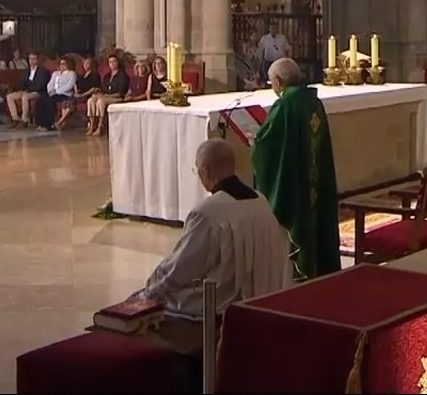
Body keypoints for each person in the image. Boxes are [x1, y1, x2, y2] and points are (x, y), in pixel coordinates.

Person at [134, 140, 291, 318]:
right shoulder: (261, 201)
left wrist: (150, 292)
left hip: (220, 305)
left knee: (152, 297)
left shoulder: (207, 213)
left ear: (205, 171)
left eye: (198, 171)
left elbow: (182, 268)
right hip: (264, 298)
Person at [251, 57, 340, 281]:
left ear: (279, 81)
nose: (271, 86)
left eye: (271, 81)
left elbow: (267, 146)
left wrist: (257, 142)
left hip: (298, 186)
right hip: (315, 179)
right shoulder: (313, 101)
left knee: (299, 218)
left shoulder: (285, 105)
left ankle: (298, 271)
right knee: (316, 216)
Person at [5, 51, 50, 129]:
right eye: (30, 59)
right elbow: (22, 82)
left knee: (25, 96)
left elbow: (41, 84)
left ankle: (24, 120)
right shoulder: (27, 70)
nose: (31, 61)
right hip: (27, 91)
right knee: (10, 96)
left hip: (38, 92)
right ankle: (15, 119)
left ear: (38, 60)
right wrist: (16, 88)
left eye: (34, 59)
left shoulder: (42, 70)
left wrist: (29, 90)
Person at [87, 54, 128, 136]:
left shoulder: (123, 76)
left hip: (117, 98)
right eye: (110, 62)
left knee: (100, 101)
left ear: (118, 63)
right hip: (106, 96)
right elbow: (104, 90)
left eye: (114, 62)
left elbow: (120, 93)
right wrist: (98, 92)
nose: (112, 64)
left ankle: (100, 126)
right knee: (91, 100)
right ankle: (92, 126)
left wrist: (104, 96)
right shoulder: (107, 76)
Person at [34, 56, 77, 131]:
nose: (62, 66)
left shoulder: (72, 74)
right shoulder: (55, 73)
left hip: (64, 94)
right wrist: (51, 91)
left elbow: (69, 86)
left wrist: (57, 91)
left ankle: (49, 124)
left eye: (64, 64)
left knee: (49, 101)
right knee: (41, 99)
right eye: (61, 64)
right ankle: (40, 123)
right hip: (53, 93)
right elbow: (50, 84)